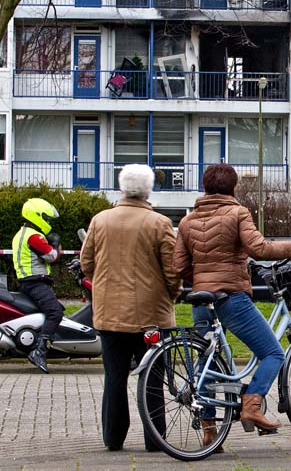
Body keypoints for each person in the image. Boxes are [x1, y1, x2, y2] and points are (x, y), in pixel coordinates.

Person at [173, 163, 291, 450]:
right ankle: (252, 404)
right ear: (233, 188)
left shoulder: (188, 221)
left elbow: (179, 266)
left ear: (206, 187)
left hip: (201, 299)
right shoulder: (238, 213)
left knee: (209, 361)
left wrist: (202, 281)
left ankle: (210, 431)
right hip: (231, 298)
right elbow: (258, 249)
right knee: (273, 352)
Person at [81, 164, 181, 452]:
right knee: (153, 378)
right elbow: (172, 270)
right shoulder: (159, 223)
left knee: (115, 377)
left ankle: (113, 438)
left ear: (121, 188)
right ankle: (155, 439)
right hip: (151, 317)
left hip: (110, 314)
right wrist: (171, 295)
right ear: (149, 189)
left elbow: (87, 263)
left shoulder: (100, 221)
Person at [12, 198, 63, 373]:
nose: (48, 222)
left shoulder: (21, 234)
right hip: (35, 283)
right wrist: (56, 245)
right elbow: (51, 257)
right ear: (37, 216)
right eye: (46, 218)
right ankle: (39, 351)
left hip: (27, 282)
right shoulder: (34, 237)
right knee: (55, 311)